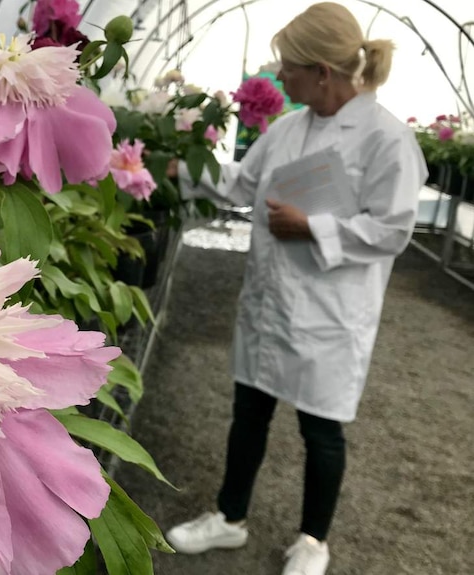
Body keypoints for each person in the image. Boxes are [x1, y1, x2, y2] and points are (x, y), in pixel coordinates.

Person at [165, 3, 426, 575]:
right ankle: (229, 519)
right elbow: (239, 182)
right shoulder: (287, 130)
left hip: (330, 312)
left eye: (288, 68)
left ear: (323, 72)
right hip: (270, 301)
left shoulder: (385, 141)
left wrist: (314, 227)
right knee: (249, 410)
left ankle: (313, 541)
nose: (279, 78)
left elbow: (395, 228)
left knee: (320, 428)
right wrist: (174, 166)